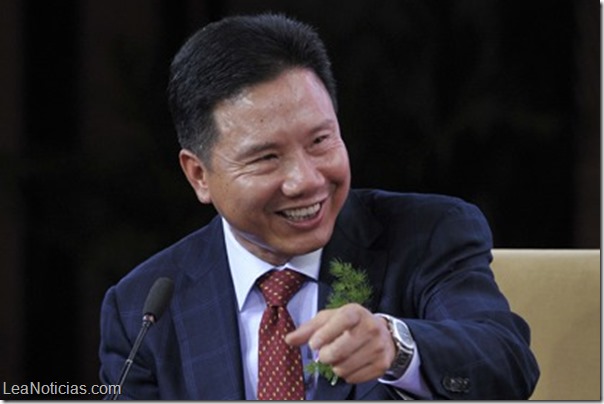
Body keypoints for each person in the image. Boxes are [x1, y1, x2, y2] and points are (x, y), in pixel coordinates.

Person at [99, 13, 539, 400]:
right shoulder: (141, 308)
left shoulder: (427, 235)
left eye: (320, 141)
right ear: (199, 175)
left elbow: (507, 362)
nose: (307, 180)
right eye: (266, 158)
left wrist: (396, 347)